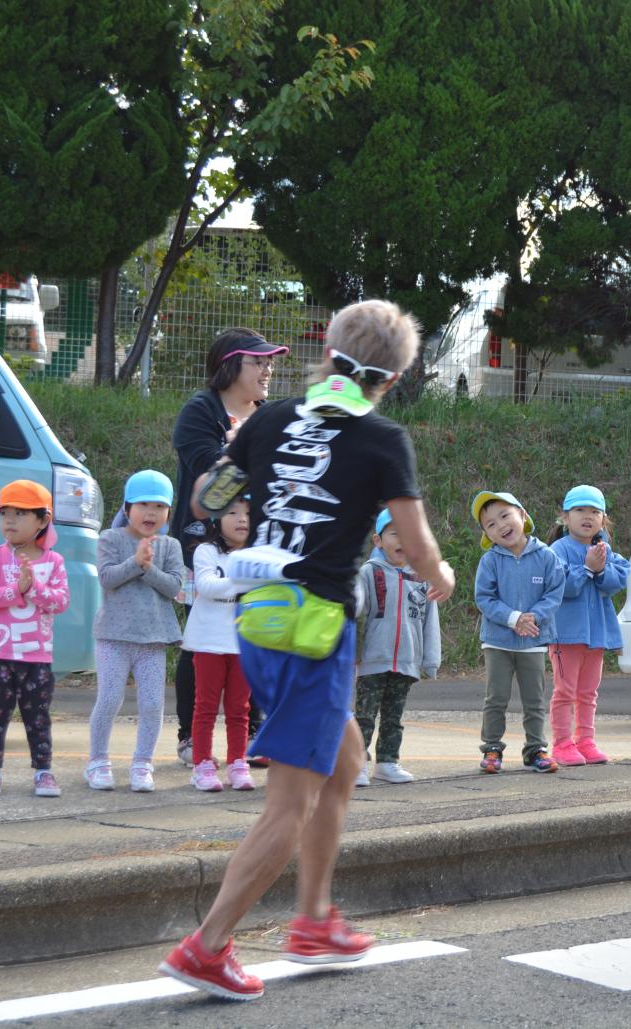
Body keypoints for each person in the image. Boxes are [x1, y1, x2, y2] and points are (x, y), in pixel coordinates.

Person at [159, 299, 455, 1001]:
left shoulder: (269, 417)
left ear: (327, 350)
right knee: (290, 801)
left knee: (345, 758)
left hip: (260, 622)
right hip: (315, 632)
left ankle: (316, 918)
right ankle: (208, 946)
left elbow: (206, 498)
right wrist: (440, 576)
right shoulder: (382, 438)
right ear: (395, 374)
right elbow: (415, 545)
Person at [170, 329, 287, 768]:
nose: (267, 369)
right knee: (201, 641)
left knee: (254, 636)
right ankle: (189, 736)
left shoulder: (267, 415)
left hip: (257, 547)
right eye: (259, 361)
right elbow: (211, 483)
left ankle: (254, 733)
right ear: (231, 365)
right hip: (202, 545)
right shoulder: (199, 411)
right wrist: (240, 449)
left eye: (269, 362)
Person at [88, 471, 185, 793]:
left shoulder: (170, 545)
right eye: (143, 504)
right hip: (114, 637)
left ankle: (143, 764)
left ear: (168, 512)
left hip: (153, 640)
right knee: (110, 698)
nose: (151, 512)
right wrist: (135, 562)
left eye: (159, 506)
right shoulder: (110, 539)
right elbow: (107, 578)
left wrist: (147, 567)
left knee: (152, 704)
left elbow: (173, 586)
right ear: (128, 507)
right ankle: (98, 761)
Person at [0, 480, 70, 798]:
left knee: (37, 715)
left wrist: (34, 589)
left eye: (20, 513)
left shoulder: (53, 561)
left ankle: (43, 771)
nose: (10, 521)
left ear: (43, 520)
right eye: (5, 513)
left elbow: (60, 602)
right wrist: (17, 591)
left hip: (36, 656)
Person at [473, 490, 566, 773]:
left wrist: (532, 618)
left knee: (534, 700)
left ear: (522, 516)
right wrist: (514, 618)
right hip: (498, 642)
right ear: (487, 534)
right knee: (496, 698)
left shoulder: (547, 556)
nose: (500, 525)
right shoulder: (490, 560)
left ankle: (535, 749)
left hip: (534, 641)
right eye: (490, 524)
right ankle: (491, 748)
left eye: (505, 515)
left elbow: (554, 593)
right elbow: (484, 598)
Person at [353, 508, 442, 786]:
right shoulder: (368, 572)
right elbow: (356, 614)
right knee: (364, 716)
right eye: (395, 533)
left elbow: (430, 620)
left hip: (407, 659)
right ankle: (355, 765)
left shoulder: (423, 577)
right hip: (372, 660)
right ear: (378, 541)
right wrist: (352, 655)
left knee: (394, 716)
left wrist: (430, 659)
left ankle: (388, 762)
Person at [548, 485, 630, 765]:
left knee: (587, 692)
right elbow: (560, 587)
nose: (587, 516)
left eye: (594, 511)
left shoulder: (604, 549)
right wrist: (586, 568)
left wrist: (599, 568)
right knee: (565, 690)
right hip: (565, 636)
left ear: (603, 519)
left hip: (596, 634)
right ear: (565, 517)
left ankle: (586, 740)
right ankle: (562, 743)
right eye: (579, 510)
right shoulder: (557, 549)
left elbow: (617, 582)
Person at [183, 496, 254, 792]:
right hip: (209, 642)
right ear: (216, 519)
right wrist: (247, 579)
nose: (241, 519)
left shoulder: (258, 555)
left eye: (248, 514)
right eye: (233, 512)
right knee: (206, 707)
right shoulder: (206, 551)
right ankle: (202, 765)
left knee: (240, 709)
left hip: (245, 644)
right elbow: (208, 587)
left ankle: (238, 763)